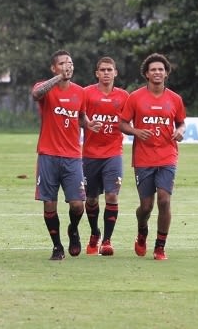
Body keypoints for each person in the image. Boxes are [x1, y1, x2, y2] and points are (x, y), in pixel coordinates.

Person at [31, 49, 101, 260]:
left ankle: (73, 229)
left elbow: (80, 117)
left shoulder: (80, 92)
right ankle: (57, 246)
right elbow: (36, 94)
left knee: (78, 204)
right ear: (54, 68)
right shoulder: (44, 87)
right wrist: (58, 78)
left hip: (72, 156)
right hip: (48, 155)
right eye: (62, 63)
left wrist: (88, 124)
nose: (67, 66)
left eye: (69, 63)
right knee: (49, 203)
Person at [119, 53, 186, 261]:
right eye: (153, 69)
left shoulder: (175, 99)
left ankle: (160, 246)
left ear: (166, 73)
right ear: (146, 74)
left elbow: (181, 122)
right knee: (146, 206)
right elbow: (122, 123)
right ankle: (142, 230)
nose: (157, 72)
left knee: (164, 201)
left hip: (167, 156)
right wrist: (136, 132)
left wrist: (181, 130)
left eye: (161, 69)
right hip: (143, 158)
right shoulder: (135, 97)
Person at [82, 57, 129, 256]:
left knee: (112, 195)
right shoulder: (86, 94)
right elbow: (76, 118)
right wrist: (87, 124)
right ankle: (95, 233)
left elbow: (130, 120)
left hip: (113, 154)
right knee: (91, 200)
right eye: (102, 70)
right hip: (90, 155)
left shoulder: (124, 97)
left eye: (110, 69)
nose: (106, 73)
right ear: (97, 73)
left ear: (115, 73)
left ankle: (107, 241)